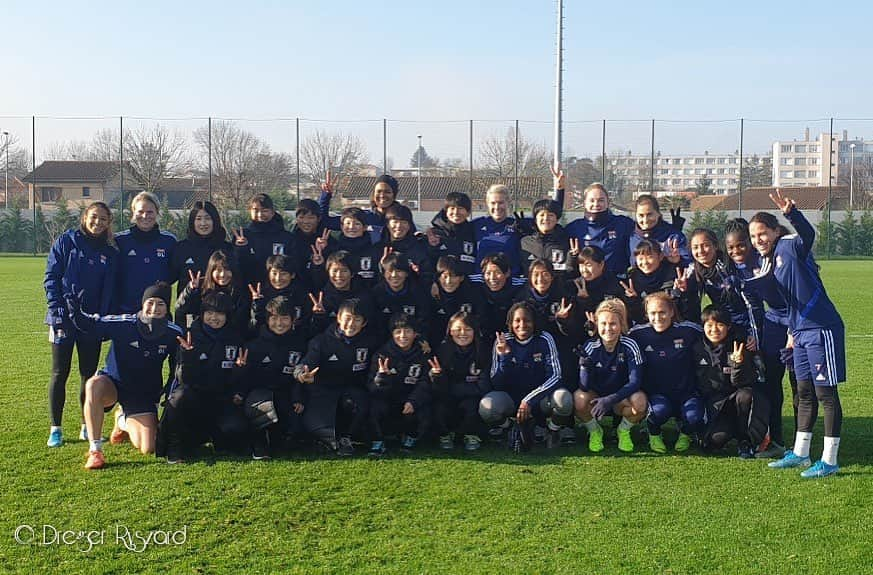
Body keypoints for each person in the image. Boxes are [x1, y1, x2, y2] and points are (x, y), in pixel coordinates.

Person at [750, 191, 847, 478]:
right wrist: (792, 331)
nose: (758, 241)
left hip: (821, 328)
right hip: (800, 333)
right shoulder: (767, 263)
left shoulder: (790, 244)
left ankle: (829, 460)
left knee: (825, 394)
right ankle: (800, 453)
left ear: (775, 231)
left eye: (762, 234)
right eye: (754, 237)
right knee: (804, 392)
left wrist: (791, 213)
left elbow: (808, 234)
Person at [66, 282, 182, 469]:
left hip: (143, 394)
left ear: (167, 307)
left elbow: (177, 366)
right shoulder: (124, 323)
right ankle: (95, 450)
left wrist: (170, 389)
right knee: (93, 385)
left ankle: (122, 420)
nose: (154, 308)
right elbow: (92, 325)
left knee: (148, 447)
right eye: (150, 302)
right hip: (113, 384)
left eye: (160, 304)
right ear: (143, 304)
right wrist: (76, 312)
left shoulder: (173, 332)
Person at [44, 201, 117, 447]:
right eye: (94, 217)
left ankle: (87, 426)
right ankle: (56, 429)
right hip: (63, 319)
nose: (98, 223)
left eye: (103, 219)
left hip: (91, 323)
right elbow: (51, 277)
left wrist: (103, 317)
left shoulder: (110, 252)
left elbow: (109, 290)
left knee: (88, 375)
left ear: (109, 223)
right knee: (59, 373)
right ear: (85, 217)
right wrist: (57, 310)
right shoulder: (67, 241)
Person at [157, 292, 248, 463]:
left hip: (221, 400)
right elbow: (184, 379)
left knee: (235, 429)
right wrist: (187, 356)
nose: (214, 318)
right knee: (179, 397)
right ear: (203, 314)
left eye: (220, 313)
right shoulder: (191, 337)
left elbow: (234, 380)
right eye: (210, 313)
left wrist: (239, 371)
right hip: (195, 399)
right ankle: (175, 447)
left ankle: (214, 437)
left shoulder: (235, 338)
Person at [480, 302, 573, 451]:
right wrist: (504, 356)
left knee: (564, 399)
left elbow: (556, 375)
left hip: (540, 398)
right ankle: (512, 428)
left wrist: (529, 400)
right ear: (510, 322)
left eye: (527, 320)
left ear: (534, 322)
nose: (522, 325)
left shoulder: (544, 339)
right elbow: (497, 384)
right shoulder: (503, 341)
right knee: (487, 407)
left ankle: (552, 430)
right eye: (517, 320)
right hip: (512, 399)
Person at [295, 298, 381, 456]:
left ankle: (346, 437)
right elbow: (304, 364)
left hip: (351, 391)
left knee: (360, 403)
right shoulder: (321, 341)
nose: (351, 324)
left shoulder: (371, 341)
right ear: (339, 318)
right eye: (347, 318)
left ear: (364, 323)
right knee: (317, 428)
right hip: (322, 393)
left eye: (357, 320)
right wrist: (302, 374)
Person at [630, 292, 704, 454]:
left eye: (662, 312)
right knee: (659, 411)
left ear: (671, 312)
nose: (658, 317)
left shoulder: (688, 330)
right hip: (657, 394)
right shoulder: (638, 333)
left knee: (694, 417)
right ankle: (654, 433)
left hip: (686, 393)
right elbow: (615, 339)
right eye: (653, 313)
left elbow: (714, 331)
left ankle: (686, 433)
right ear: (646, 314)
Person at [236, 296, 308, 460]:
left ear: (293, 320)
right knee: (257, 412)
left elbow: (298, 374)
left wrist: (298, 398)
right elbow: (245, 379)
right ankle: (258, 442)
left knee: (294, 432)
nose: (279, 323)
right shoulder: (253, 345)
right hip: (258, 394)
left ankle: (279, 436)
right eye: (274, 318)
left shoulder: (299, 344)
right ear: (267, 320)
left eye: (284, 318)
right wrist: (240, 382)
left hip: (285, 393)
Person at [695, 305, 770, 458]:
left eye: (720, 325)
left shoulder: (739, 345)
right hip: (716, 403)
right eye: (709, 325)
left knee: (746, 395)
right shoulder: (697, 348)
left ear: (728, 326)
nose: (714, 329)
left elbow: (744, 383)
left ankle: (745, 440)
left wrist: (738, 364)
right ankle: (725, 430)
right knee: (714, 442)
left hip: (737, 399)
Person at [574, 299, 647, 453]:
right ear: (597, 325)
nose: (608, 328)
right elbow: (584, 386)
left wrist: (610, 399)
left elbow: (635, 382)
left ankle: (623, 430)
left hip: (620, 397)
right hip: (597, 398)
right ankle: (595, 431)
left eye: (613, 323)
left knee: (640, 402)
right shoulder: (590, 346)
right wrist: (584, 367)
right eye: (603, 324)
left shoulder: (630, 345)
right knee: (579, 399)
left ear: (621, 325)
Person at [366, 313, 432, 455]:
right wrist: (381, 378)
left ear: (415, 334)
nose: (403, 336)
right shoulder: (381, 355)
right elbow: (372, 388)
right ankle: (377, 440)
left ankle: (411, 437)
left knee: (424, 408)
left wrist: (413, 401)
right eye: (398, 331)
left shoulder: (424, 354)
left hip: (409, 400)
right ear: (392, 334)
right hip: (388, 400)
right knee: (374, 407)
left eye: (408, 331)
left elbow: (425, 383)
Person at [429, 312, 491, 451]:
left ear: (475, 331)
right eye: (457, 329)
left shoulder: (483, 351)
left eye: (468, 329)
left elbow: (484, 386)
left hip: (472, 396)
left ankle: (471, 435)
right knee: (439, 406)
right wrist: (436, 376)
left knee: (473, 405)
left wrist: (455, 388)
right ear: (450, 331)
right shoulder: (443, 350)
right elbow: (438, 388)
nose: (462, 333)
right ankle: (445, 435)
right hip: (449, 396)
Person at [114, 192, 177, 313]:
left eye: (150, 212)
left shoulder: (169, 241)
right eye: (140, 211)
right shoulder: (120, 240)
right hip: (126, 310)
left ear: (157, 213)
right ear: (133, 213)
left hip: (157, 312)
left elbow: (173, 274)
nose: (145, 216)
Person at [169, 201, 232, 318]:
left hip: (218, 316)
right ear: (192, 222)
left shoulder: (226, 248)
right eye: (198, 219)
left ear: (215, 220)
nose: (203, 223)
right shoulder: (181, 248)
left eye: (207, 218)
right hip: (188, 314)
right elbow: (168, 279)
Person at [175, 250, 251, 338]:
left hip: (229, 338)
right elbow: (179, 310)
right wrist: (190, 291)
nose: (222, 274)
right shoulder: (199, 285)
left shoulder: (240, 290)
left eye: (227, 270)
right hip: (201, 337)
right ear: (211, 270)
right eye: (218, 270)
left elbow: (242, 320)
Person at [564, 183, 635, 278]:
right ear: (584, 203)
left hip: (616, 285)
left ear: (608, 202)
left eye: (601, 200)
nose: (596, 204)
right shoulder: (574, 228)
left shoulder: (623, 224)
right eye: (592, 200)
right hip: (585, 286)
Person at [232, 193, 296, 287]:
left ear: (272, 212)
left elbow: (292, 266)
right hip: (250, 289)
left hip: (278, 287)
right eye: (256, 210)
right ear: (250, 211)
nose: (260, 214)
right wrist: (241, 249)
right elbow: (236, 265)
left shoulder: (286, 237)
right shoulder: (242, 236)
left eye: (264, 210)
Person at [319, 173, 402, 244]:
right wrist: (326, 196)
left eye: (387, 192)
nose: (382, 195)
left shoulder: (402, 218)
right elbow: (325, 221)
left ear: (394, 195)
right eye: (379, 191)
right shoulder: (363, 216)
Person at [472, 184, 529, 276]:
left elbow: (549, 216)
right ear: (487, 203)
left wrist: (559, 189)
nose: (497, 207)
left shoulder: (518, 225)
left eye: (501, 202)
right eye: (493, 203)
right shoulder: (477, 224)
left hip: (511, 283)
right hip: (481, 283)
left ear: (508, 203)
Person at [428, 255, 484, 347]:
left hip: (468, 343)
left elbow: (482, 320)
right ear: (438, 278)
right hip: (440, 344)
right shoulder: (433, 294)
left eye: (453, 276)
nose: (448, 281)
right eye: (444, 276)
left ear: (461, 278)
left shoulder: (473, 294)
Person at [628, 194, 689, 267]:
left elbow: (688, 264)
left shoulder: (673, 236)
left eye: (649, 214)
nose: (645, 220)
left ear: (658, 213)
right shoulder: (631, 237)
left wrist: (678, 260)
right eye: (641, 215)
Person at [520, 198, 574, 280]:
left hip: (558, 290)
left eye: (550, 215)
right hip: (531, 291)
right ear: (535, 219)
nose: (546, 218)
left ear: (557, 219)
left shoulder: (565, 241)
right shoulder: (524, 242)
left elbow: (570, 273)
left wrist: (572, 259)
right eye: (542, 215)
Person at [426, 191, 477, 277]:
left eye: (460, 208)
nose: (456, 212)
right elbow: (427, 265)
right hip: (441, 287)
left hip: (468, 286)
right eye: (452, 208)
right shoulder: (434, 234)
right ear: (446, 211)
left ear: (468, 212)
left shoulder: (473, 234)